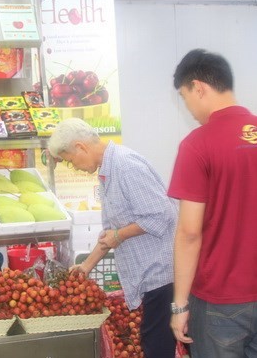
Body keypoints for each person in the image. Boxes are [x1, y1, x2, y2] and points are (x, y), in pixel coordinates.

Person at [168, 48, 257, 357]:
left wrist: (180, 304)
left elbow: (189, 233)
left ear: (198, 87)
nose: (188, 108)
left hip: (221, 303)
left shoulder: (197, 145)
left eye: (185, 97)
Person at [47, 118, 178, 357]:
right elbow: (110, 232)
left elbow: (161, 214)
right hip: (148, 276)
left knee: (157, 347)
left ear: (81, 147)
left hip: (161, 276)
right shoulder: (107, 171)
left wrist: (120, 235)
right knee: (153, 343)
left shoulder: (126, 166)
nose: (73, 166)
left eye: (69, 160)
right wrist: (86, 266)